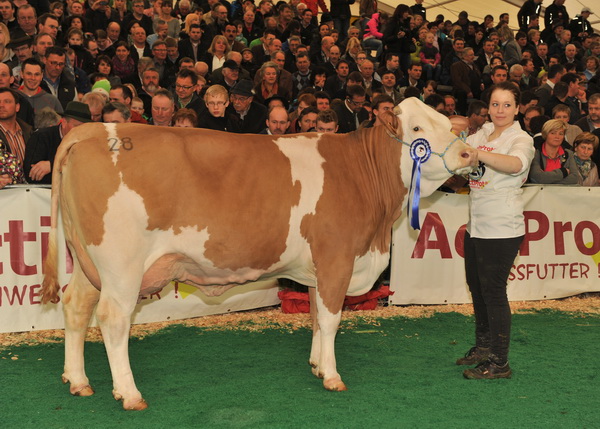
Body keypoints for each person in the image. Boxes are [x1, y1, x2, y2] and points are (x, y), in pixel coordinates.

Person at [458, 81, 535, 380]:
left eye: (506, 105)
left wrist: (476, 154)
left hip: (503, 225)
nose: (499, 110)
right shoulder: (481, 134)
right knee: (476, 287)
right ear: (487, 107)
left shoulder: (522, 138)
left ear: (517, 109)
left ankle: (499, 362)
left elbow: (515, 165)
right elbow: (461, 160)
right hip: (476, 223)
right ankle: (483, 346)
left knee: (493, 291)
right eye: (494, 104)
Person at [23, 101, 91, 184]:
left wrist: (53, 165)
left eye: (86, 127)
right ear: (64, 123)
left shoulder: (90, 141)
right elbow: (32, 174)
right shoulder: (41, 137)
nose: (82, 131)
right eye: (77, 126)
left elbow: (87, 169)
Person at [528, 119, 579, 184]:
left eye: (561, 134)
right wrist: (563, 172)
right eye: (553, 133)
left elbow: (574, 179)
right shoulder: (535, 153)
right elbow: (538, 178)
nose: (557, 137)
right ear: (545, 134)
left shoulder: (568, 154)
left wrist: (548, 180)